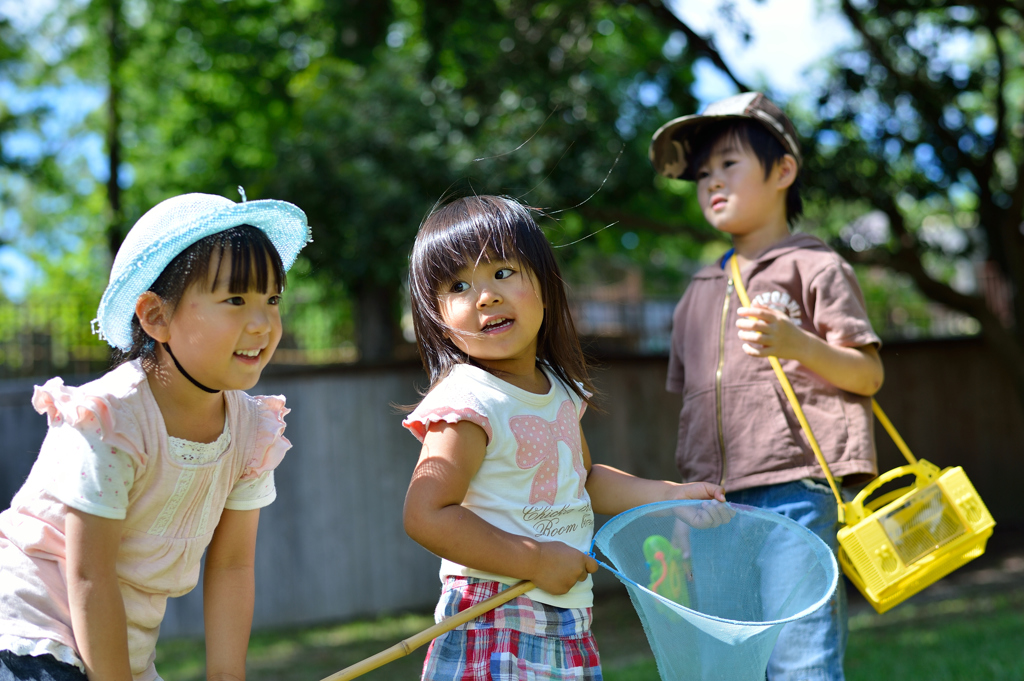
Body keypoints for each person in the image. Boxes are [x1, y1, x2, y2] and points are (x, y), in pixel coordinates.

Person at [401, 194, 733, 681]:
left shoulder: (557, 389)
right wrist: (533, 560)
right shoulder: (468, 401)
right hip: (494, 612)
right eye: (458, 285)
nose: (485, 296)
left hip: (565, 612)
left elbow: (584, 479)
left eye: (502, 272)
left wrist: (670, 497)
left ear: (545, 283)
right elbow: (426, 515)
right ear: (438, 319)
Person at [0, 192, 312, 681]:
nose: (262, 323)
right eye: (235, 299)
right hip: (29, 630)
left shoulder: (254, 431)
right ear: (156, 317)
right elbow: (89, 574)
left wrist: (227, 676)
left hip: (116, 644)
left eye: (271, 299)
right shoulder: (110, 419)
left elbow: (231, 566)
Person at [649, 92, 885, 680]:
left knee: (799, 653)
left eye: (729, 164)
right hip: (717, 506)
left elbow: (868, 374)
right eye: (703, 173)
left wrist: (799, 344)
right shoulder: (697, 293)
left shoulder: (814, 266)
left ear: (782, 170)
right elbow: (694, 412)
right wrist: (684, 502)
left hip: (795, 491)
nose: (711, 182)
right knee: (727, 658)